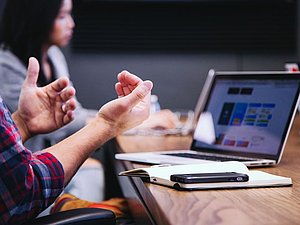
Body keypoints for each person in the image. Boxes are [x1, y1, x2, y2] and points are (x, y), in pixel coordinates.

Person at [0, 0, 177, 202]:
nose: (71, 24)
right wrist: (115, 123)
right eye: (62, 16)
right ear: (37, 19)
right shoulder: (5, 67)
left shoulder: (53, 56)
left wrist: (23, 123)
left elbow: (70, 115)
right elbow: (65, 126)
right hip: (28, 176)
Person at [0, 57, 153, 225]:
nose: (71, 28)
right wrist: (107, 124)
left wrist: (22, 124)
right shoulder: (5, 63)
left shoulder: (54, 55)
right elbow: (23, 190)